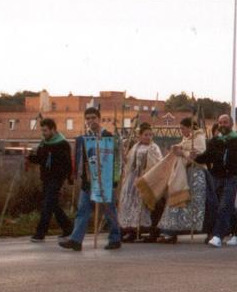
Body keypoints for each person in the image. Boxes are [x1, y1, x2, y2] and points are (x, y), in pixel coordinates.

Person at [61, 107, 122, 252]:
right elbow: (80, 159)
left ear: (99, 118)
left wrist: (114, 179)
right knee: (83, 210)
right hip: (88, 180)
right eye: (88, 118)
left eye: (93, 118)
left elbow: (116, 160)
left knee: (109, 210)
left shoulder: (108, 136)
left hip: (105, 180)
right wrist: (77, 175)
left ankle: (115, 238)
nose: (90, 121)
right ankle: (76, 240)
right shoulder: (83, 138)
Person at [196, 114, 237, 247]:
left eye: (225, 122)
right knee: (228, 206)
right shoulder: (215, 141)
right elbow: (207, 157)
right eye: (220, 122)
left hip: (233, 177)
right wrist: (195, 157)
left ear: (231, 124)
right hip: (217, 176)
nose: (222, 125)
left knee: (224, 205)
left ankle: (218, 235)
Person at [152, 118, 209, 244]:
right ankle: (170, 232)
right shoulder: (186, 140)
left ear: (190, 127)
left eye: (183, 128)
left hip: (196, 175)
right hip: (183, 175)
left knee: (196, 205)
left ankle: (209, 231)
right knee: (175, 202)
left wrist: (182, 152)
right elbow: (184, 153)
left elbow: (197, 157)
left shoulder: (199, 139)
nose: (181, 131)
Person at [27, 117, 73, 243]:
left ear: (53, 129)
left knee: (47, 204)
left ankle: (40, 233)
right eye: (42, 131)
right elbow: (40, 159)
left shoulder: (62, 144)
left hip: (57, 178)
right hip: (46, 177)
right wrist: (30, 157)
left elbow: (68, 163)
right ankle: (68, 227)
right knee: (53, 204)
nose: (43, 133)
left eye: (45, 131)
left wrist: (69, 177)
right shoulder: (44, 143)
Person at [118, 122, 164, 243]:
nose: (148, 137)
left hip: (146, 178)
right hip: (133, 178)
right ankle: (131, 230)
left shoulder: (154, 148)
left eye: (150, 135)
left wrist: (145, 175)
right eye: (145, 135)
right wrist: (124, 157)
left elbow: (158, 163)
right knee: (131, 204)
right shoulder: (135, 147)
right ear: (140, 136)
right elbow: (129, 162)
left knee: (144, 205)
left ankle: (147, 230)